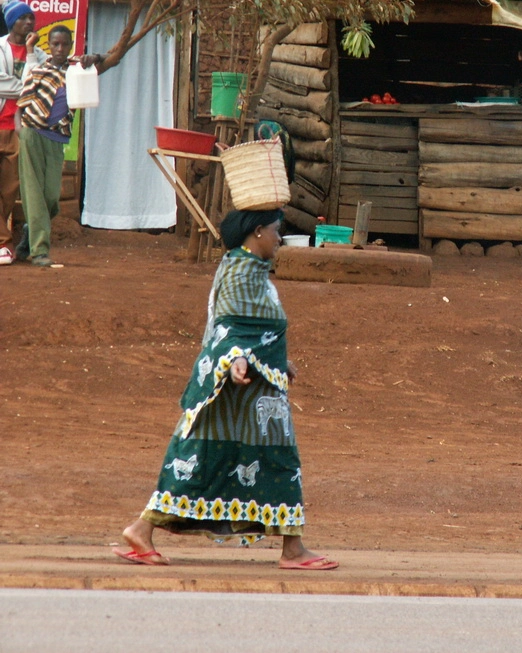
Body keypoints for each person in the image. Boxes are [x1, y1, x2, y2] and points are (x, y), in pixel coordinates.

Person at [114, 208, 338, 571]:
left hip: (255, 385)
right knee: (231, 458)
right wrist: (236, 360)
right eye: (277, 231)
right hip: (236, 386)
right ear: (259, 231)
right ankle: (292, 550)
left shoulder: (252, 270)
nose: (281, 239)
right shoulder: (240, 270)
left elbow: (260, 328)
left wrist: (278, 358)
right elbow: (229, 327)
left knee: (220, 458)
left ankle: (142, 529)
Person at [16, 25, 101, 267]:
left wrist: (93, 57)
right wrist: (21, 132)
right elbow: (22, 105)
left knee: (52, 197)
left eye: (65, 44)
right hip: (32, 133)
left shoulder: (79, 70)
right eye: (55, 44)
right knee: (34, 194)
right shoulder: (39, 71)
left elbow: (107, 60)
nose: (60, 48)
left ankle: (29, 231)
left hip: (57, 138)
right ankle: (40, 251)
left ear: (71, 45)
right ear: (49, 46)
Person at [0, 0, 45, 265]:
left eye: (32, 18)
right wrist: (28, 87)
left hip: (19, 128)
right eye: (24, 18)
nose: (29, 23)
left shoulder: (37, 54)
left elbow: (44, 78)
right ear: (12, 22)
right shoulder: (0, 48)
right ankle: (3, 243)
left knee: (10, 188)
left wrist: (29, 52)